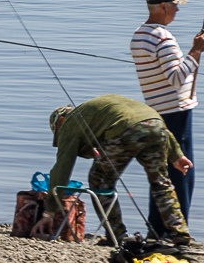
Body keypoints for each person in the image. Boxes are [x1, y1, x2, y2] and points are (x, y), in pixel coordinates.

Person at [45, 94, 193, 247]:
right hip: (157, 125)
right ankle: (180, 235)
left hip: (125, 130)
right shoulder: (98, 112)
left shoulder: (69, 122)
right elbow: (151, 124)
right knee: (161, 185)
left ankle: (116, 236)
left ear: (60, 121)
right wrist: (176, 155)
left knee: (99, 181)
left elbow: (63, 166)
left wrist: (50, 209)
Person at [130, 0, 204, 237]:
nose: (177, 10)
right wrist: (196, 52)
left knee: (162, 172)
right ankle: (178, 231)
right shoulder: (162, 36)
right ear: (163, 6)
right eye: (175, 5)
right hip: (176, 113)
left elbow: (166, 72)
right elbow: (176, 78)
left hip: (155, 110)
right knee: (183, 172)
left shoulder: (139, 34)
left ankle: (158, 229)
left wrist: (190, 55)